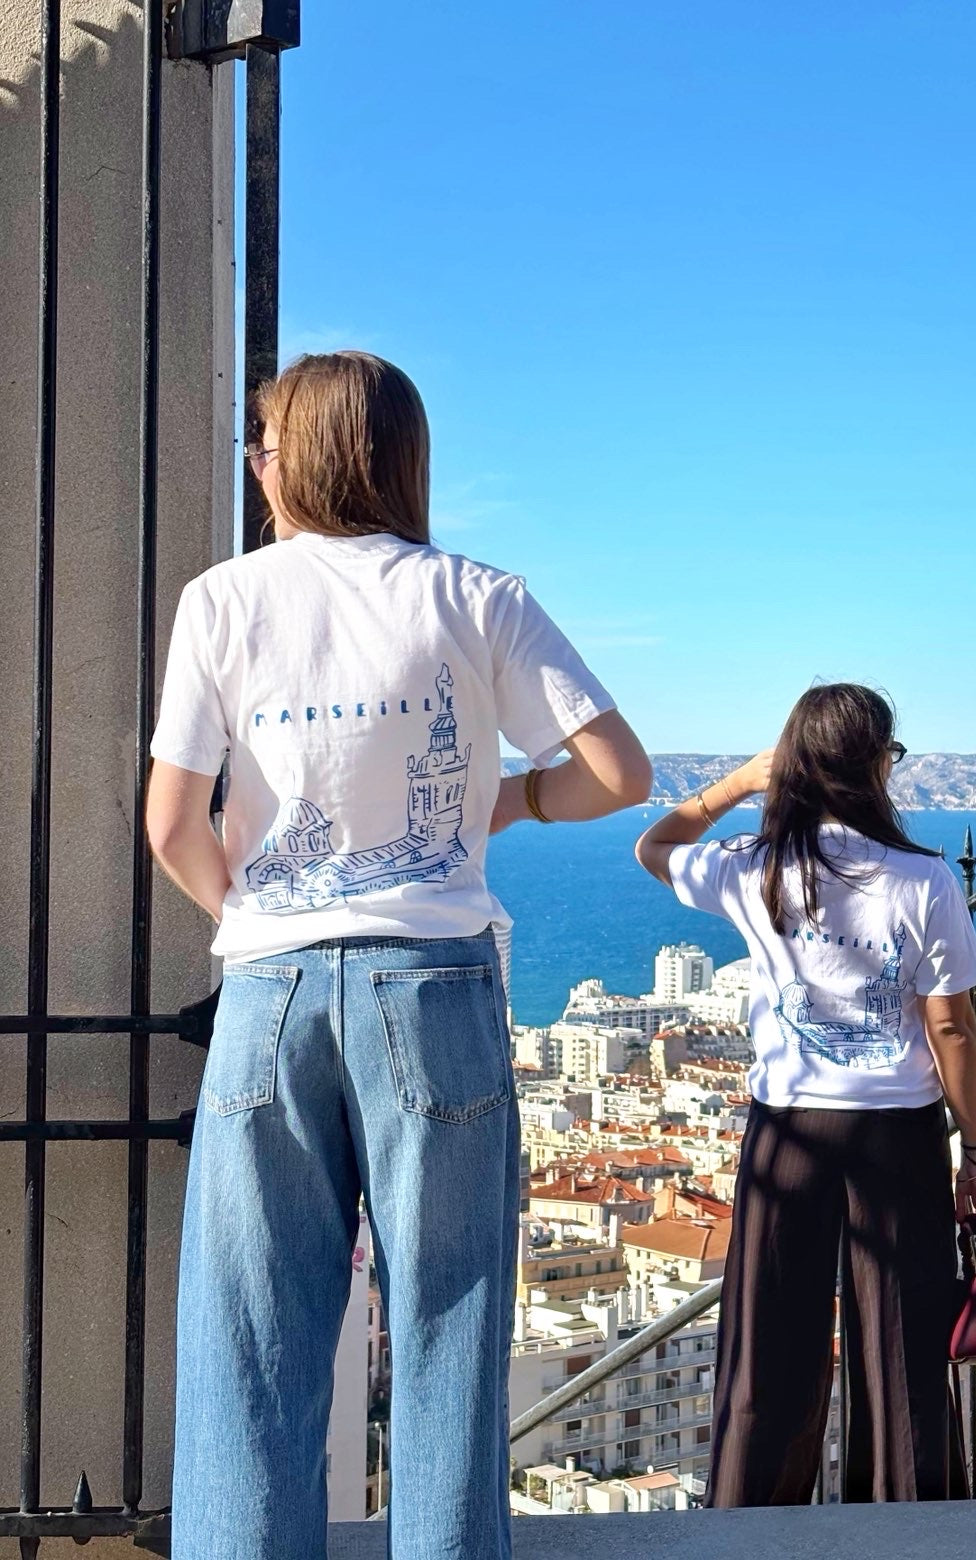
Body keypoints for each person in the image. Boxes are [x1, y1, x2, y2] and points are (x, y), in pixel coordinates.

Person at [147, 350, 651, 1560]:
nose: (257, 467)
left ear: (297, 459)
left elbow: (171, 825)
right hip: (430, 983)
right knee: (449, 1318)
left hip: (269, 988)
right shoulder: (476, 596)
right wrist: (513, 803)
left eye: (264, 447)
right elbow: (620, 775)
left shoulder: (223, 600)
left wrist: (254, 922)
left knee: (250, 1338)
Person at [634, 682, 976, 1505]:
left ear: (794, 765)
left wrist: (736, 784)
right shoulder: (922, 879)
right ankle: (909, 1530)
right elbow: (952, 1030)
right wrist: (974, 1152)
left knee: (769, 1347)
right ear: (875, 765)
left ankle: (752, 1531)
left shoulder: (755, 867)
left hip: (787, 1132)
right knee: (901, 1357)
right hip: (895, 1137)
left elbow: (653, 847)